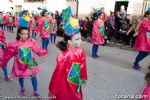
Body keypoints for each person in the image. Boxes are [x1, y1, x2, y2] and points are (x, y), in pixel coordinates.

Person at [49, 8, 87, 100]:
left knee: (75, 96)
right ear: (70, 41)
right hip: (64, 83)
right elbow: (57, 74)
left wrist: (82, 77)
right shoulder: (64, 56)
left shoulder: (81, 51)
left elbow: (83, 66)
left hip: (75, 81)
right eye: (77, 39)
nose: (80, 41)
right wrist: (53, 89)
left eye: (80, 38)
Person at [1, 27, 48, 96]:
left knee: (33, 76)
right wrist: (4, 63)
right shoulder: (14, 45)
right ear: (19, 34)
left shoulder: (31, 42)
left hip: (30, 63)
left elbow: (37, 50)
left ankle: (35, 90)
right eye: (23, 34)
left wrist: (43, 52)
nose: (25, 36)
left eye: (27, 34)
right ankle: (22, 88)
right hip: (20, 64)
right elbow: (7, 55)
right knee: (21, 77)